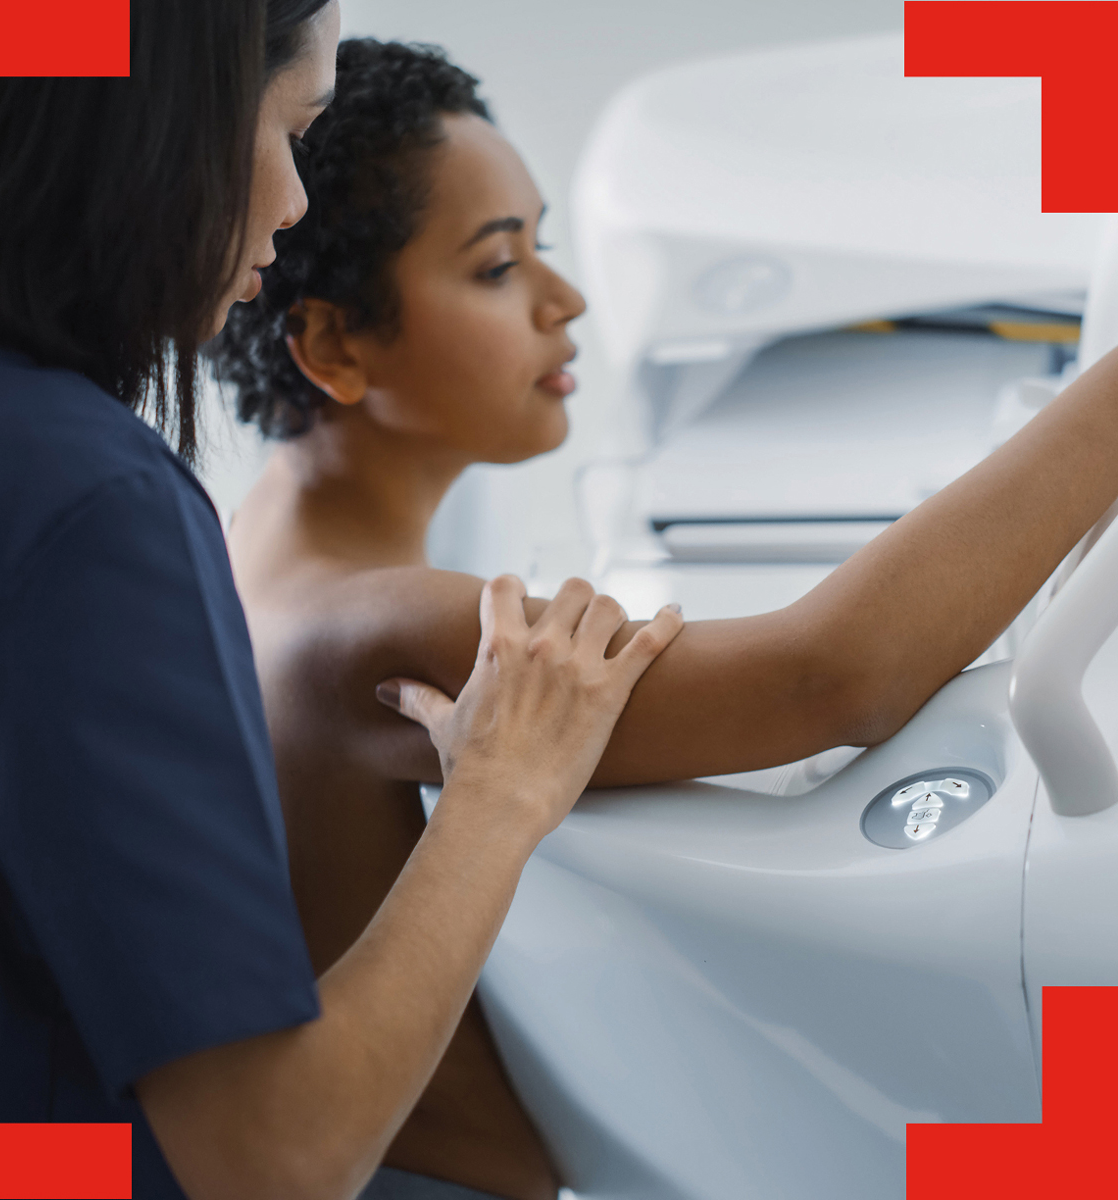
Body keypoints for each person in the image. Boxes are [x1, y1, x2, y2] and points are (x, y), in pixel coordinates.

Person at [210, 37, 1118, 1200]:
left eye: (542, 244)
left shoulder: (261, 560)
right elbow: (831, 678)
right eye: (497, 268)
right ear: (336, 344)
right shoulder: (371, 629)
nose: (566, 299)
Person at [0, 8, 686, 1200]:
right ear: (151, 126)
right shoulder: (84, 499)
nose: (289, 202)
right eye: (285, 128)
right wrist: (500, 794)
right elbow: (271, 1157)